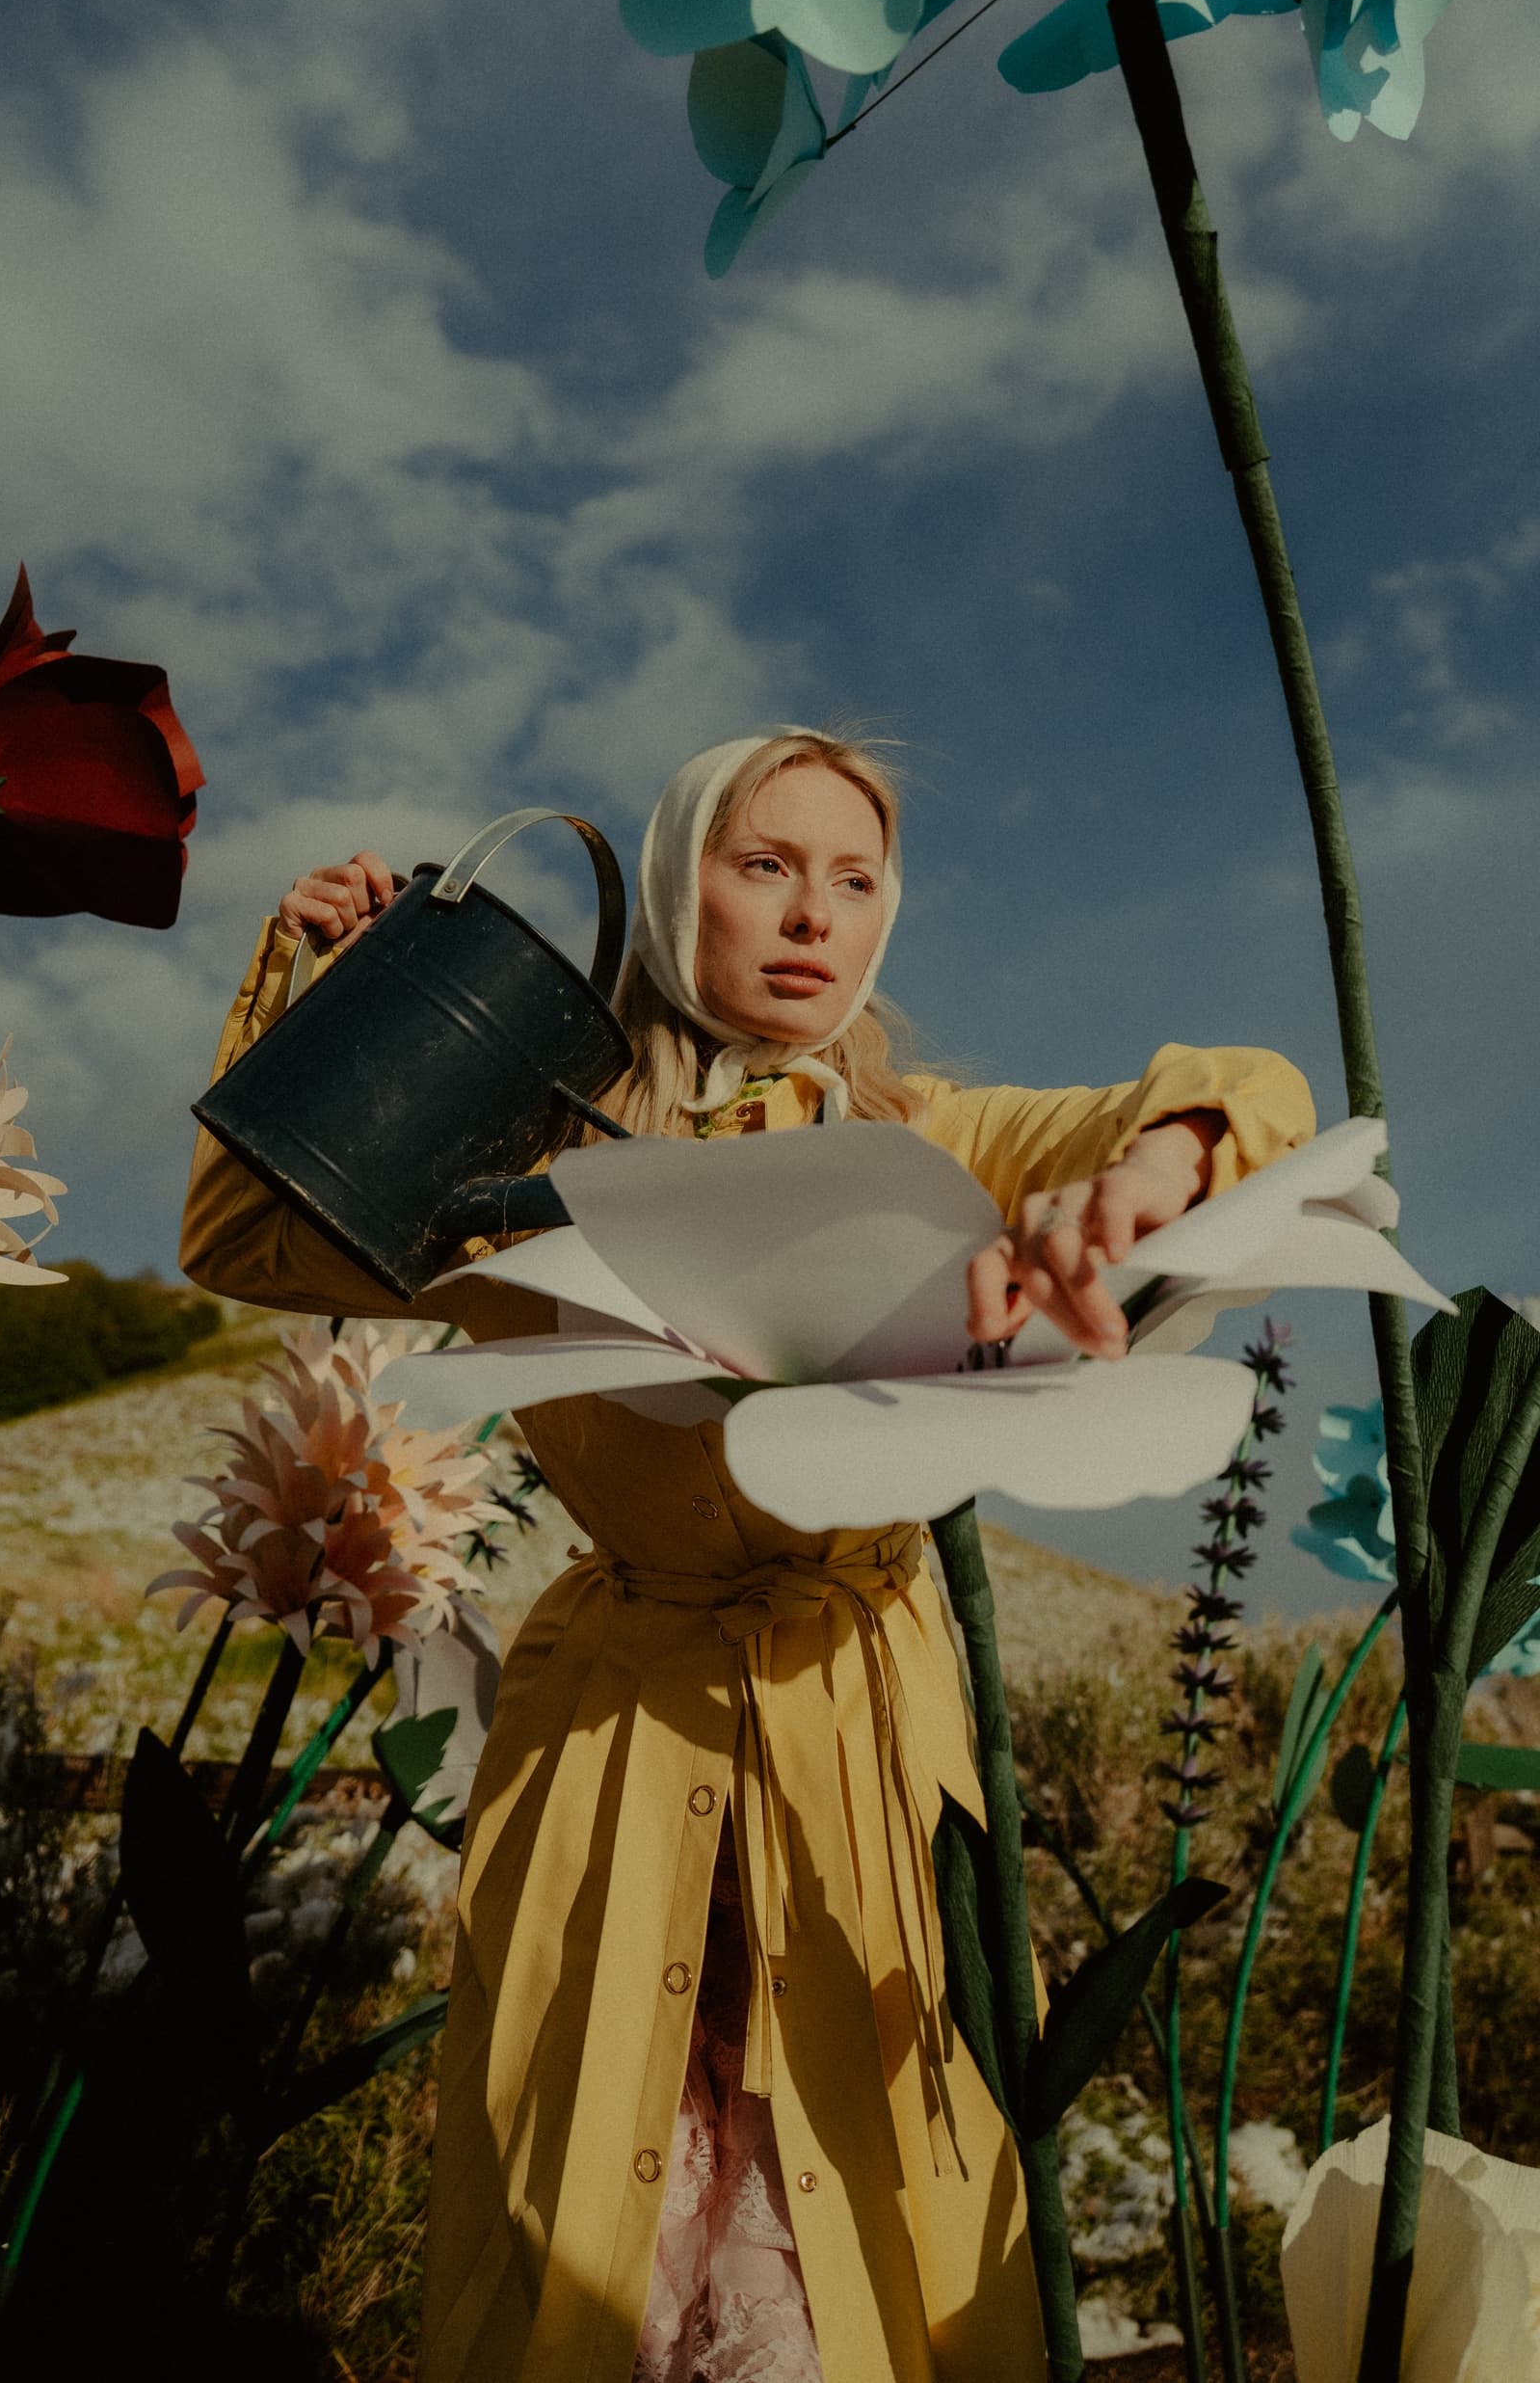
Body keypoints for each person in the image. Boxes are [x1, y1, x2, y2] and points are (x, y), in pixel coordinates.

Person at [180, 727, 1315, 2383]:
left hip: (854, 1707)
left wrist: (1150, 1170)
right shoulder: (519, 1170)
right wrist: (329, 997)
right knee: (588, 2198)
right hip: (613, 1732)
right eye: (763, 865)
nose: (813, 916)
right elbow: (245, 1242)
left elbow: (1247, 1090)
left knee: (862, 2177)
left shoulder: (929, 1134)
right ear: (669, 888)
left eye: (854, 880)